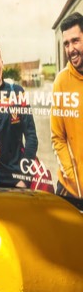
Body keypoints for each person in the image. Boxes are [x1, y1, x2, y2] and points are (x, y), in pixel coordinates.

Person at [0, 40, 38, 187]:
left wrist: (25, 177)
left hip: (19, 177)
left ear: (2, 64)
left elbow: (31, 136)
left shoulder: (17, 93)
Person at [51, 12, 83, 204]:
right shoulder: (61, 82)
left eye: (76, 41)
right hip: (69, 190)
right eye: (66, 43)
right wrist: (74, 180)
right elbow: (57, 138)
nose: (71, 49)